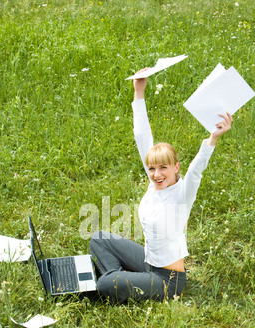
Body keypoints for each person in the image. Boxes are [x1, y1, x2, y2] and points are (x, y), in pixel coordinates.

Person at [90, 70, 232, 303]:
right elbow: (141, 134)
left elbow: (196, 171)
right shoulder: (154, 183)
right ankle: (122, 279)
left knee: (105, 284)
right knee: (98, 238)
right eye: (152, 169)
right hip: (148, 261)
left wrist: (212, 138)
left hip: (168, 280)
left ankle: (115, 281)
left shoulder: (182, 195)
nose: (156, 174)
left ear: (176, 168)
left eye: (163, 168)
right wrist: (139, 90)